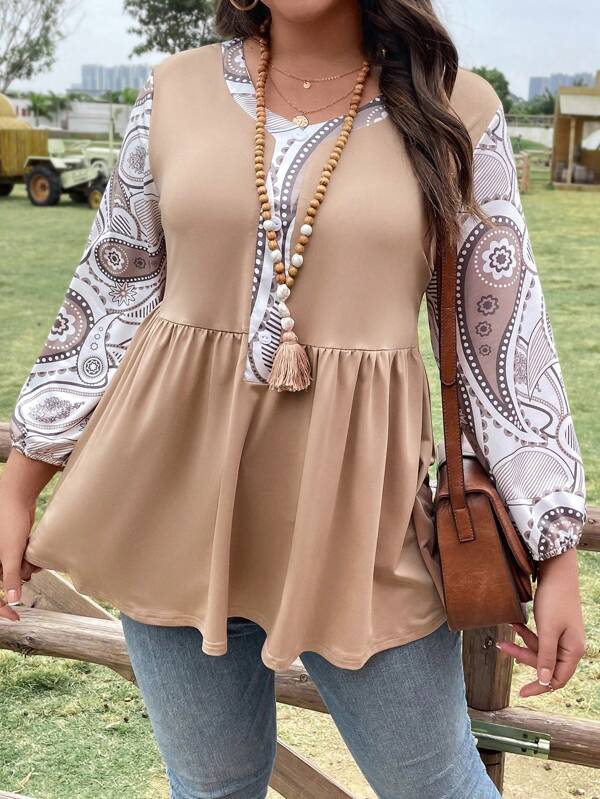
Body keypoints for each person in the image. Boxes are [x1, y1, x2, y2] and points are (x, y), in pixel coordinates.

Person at [0, 1, 588, 797]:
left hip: (364, 519)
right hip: (173, 497)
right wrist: (18, 486)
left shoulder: (457, 107)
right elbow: (108, 294)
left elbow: (504, 343)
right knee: (212, 787)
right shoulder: (173, 90)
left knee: (438, 786)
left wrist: (555, 552)